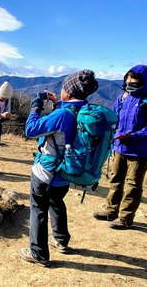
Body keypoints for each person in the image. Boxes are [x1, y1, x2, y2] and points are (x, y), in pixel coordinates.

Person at [20, 70, 99, 266]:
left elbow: (31, 130)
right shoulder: (86, 111)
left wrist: (36, 106)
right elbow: (68, 129)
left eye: (64, 87)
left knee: (38, 208)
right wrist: (58, 104)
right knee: (57, 202)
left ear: (69, 92)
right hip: (67, 173)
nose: (61, 89)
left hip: (47, 172)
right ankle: (61, 240)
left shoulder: (63, 114)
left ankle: (38, 253)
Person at [93, 65, 147, 229]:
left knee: (133, 184)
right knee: (115, 179)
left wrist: (131, 136)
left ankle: (125, 217)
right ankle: (110, 210)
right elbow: (114, 118)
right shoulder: (122, 97)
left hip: (139, 151)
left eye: (134, 81)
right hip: (119, 147)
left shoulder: (145, 101)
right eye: (128, 80)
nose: (130, 83)